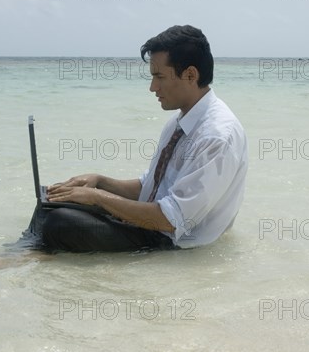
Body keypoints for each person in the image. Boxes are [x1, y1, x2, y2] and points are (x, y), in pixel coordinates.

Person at [41, 25, 248, 252]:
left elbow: (170, 220)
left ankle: (27, 256)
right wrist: (100, 181)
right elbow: (151, 186)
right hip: (151, 226)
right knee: (54, 204)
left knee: (60, 223)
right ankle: (27, 254)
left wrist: (97, 197)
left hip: (169, 242)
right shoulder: (180, 122)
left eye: (159, 77)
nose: (152, 88)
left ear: (190, 75)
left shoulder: (217, 136)